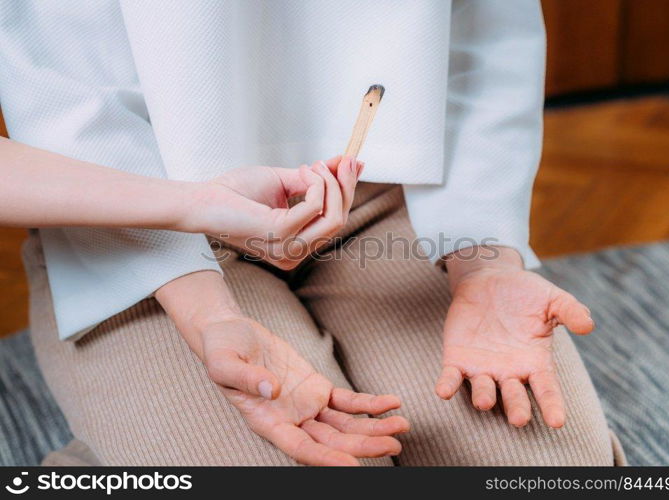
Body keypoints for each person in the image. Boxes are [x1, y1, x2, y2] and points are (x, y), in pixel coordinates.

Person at [0, 0, 625, 466]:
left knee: (555, 472)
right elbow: (65, 96)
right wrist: (206, 308)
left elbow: (486, 38)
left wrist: (484, 261)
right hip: (141, 223)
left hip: (395, 202)